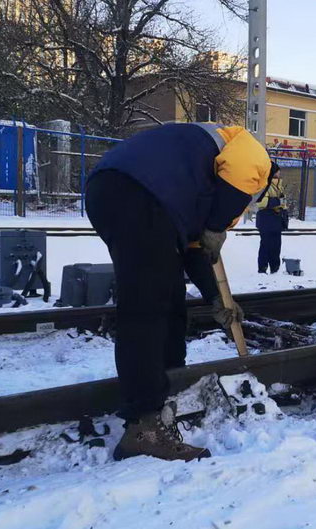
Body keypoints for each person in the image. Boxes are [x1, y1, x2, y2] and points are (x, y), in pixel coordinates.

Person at [85, 122, 272, 461]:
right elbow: (244, 171)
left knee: (168, 294)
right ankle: (144, 427)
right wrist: (218, 224)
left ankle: (164, 390)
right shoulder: (253, 157)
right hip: (139, 194)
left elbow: (194, 250)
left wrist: (215, 297)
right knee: (146, 308)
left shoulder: (192, 178)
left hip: (113, 191)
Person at [256, 162, 287, 273]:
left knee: (276, 245)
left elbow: (283, 202)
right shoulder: (265, 185)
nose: (279, 173)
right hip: (266, 218)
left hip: (276, 219)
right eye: (277, 170)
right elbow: (261, 202)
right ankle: (262, 268)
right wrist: (278, 201)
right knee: (266, 244)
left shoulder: (279, 185)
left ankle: (275, 268)